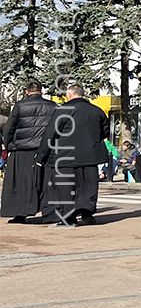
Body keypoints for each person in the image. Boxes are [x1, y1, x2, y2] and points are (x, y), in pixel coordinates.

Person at [36, 85, 107, 226]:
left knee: (66, 187)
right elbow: (105, 131)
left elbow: (50, 134)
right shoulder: (96, 111)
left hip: (65, 156)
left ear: (69, 95)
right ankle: (87, 214)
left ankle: (69, 217)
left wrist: (41, 157)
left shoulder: (63, 111)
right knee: (88, 186)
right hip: (90, 156)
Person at [1, 81, 56, 223]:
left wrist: (7, 145)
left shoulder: (20, 105)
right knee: (45, 181)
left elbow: (9, 127)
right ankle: (49, 212)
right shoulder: (52, 106)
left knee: (21, 182)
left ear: (27, 91)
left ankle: (21, 213)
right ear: (41, 91)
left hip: (22, 149)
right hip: (45, 149)